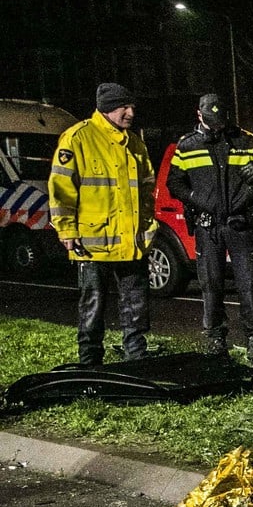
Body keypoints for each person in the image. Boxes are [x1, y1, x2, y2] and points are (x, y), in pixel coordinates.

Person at [47, 82, 156, 366]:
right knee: (93, 305)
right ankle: (90, 361)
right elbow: (61, 189)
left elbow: (146, 189)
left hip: (132, 242)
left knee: (136, 304)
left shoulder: (134, 142)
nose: (131, 112)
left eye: (132, 107)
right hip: (93, 244)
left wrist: (147, 226)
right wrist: (67, 230)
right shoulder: (77, 138)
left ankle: (137, 358)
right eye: (124, 107)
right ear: (107, 108)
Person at [168, 93, 253, 353]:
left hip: (240, 224)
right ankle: (215, 337)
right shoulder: (187, 145)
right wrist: (195, 198)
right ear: (199, 115)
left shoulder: (244, 140)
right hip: (208, 226)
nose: (218, 126)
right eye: (212, 121)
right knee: (211, 284)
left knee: (249, 283)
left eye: (221, 121)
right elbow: (174, 183)